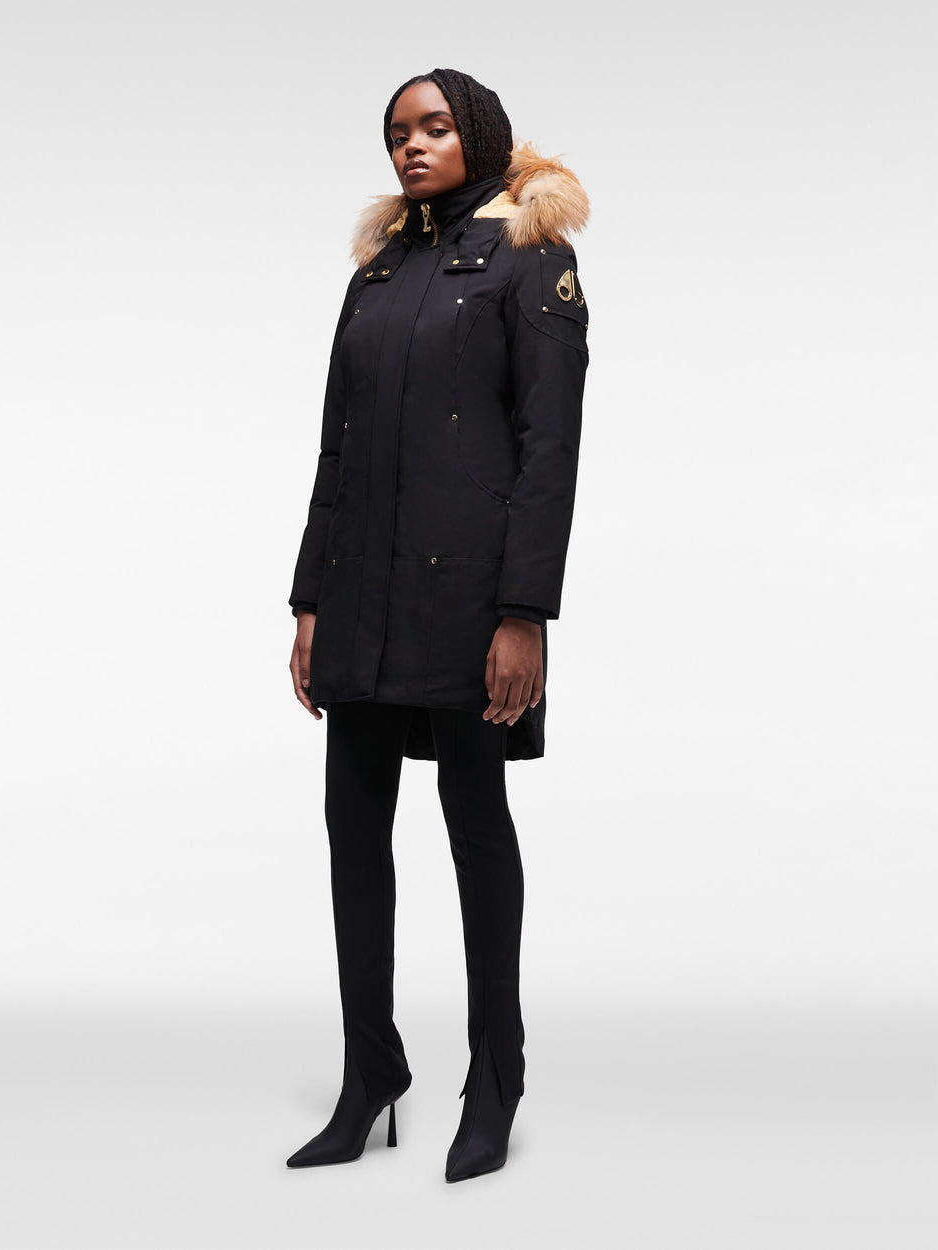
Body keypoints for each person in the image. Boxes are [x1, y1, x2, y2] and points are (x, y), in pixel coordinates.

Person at [286, 67, 589, 1182]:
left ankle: (495, 1073)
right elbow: (337, 447)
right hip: (361, 593)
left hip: (467, 595)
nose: (411, 146)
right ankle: (370, 1071)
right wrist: (309, 600)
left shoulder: (530, 258)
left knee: (475, 822)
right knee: (351, 827)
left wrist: (525, 613)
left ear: (481, 136)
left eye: (435, 127)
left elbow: (549, 451)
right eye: (397, 133)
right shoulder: (377, 270)